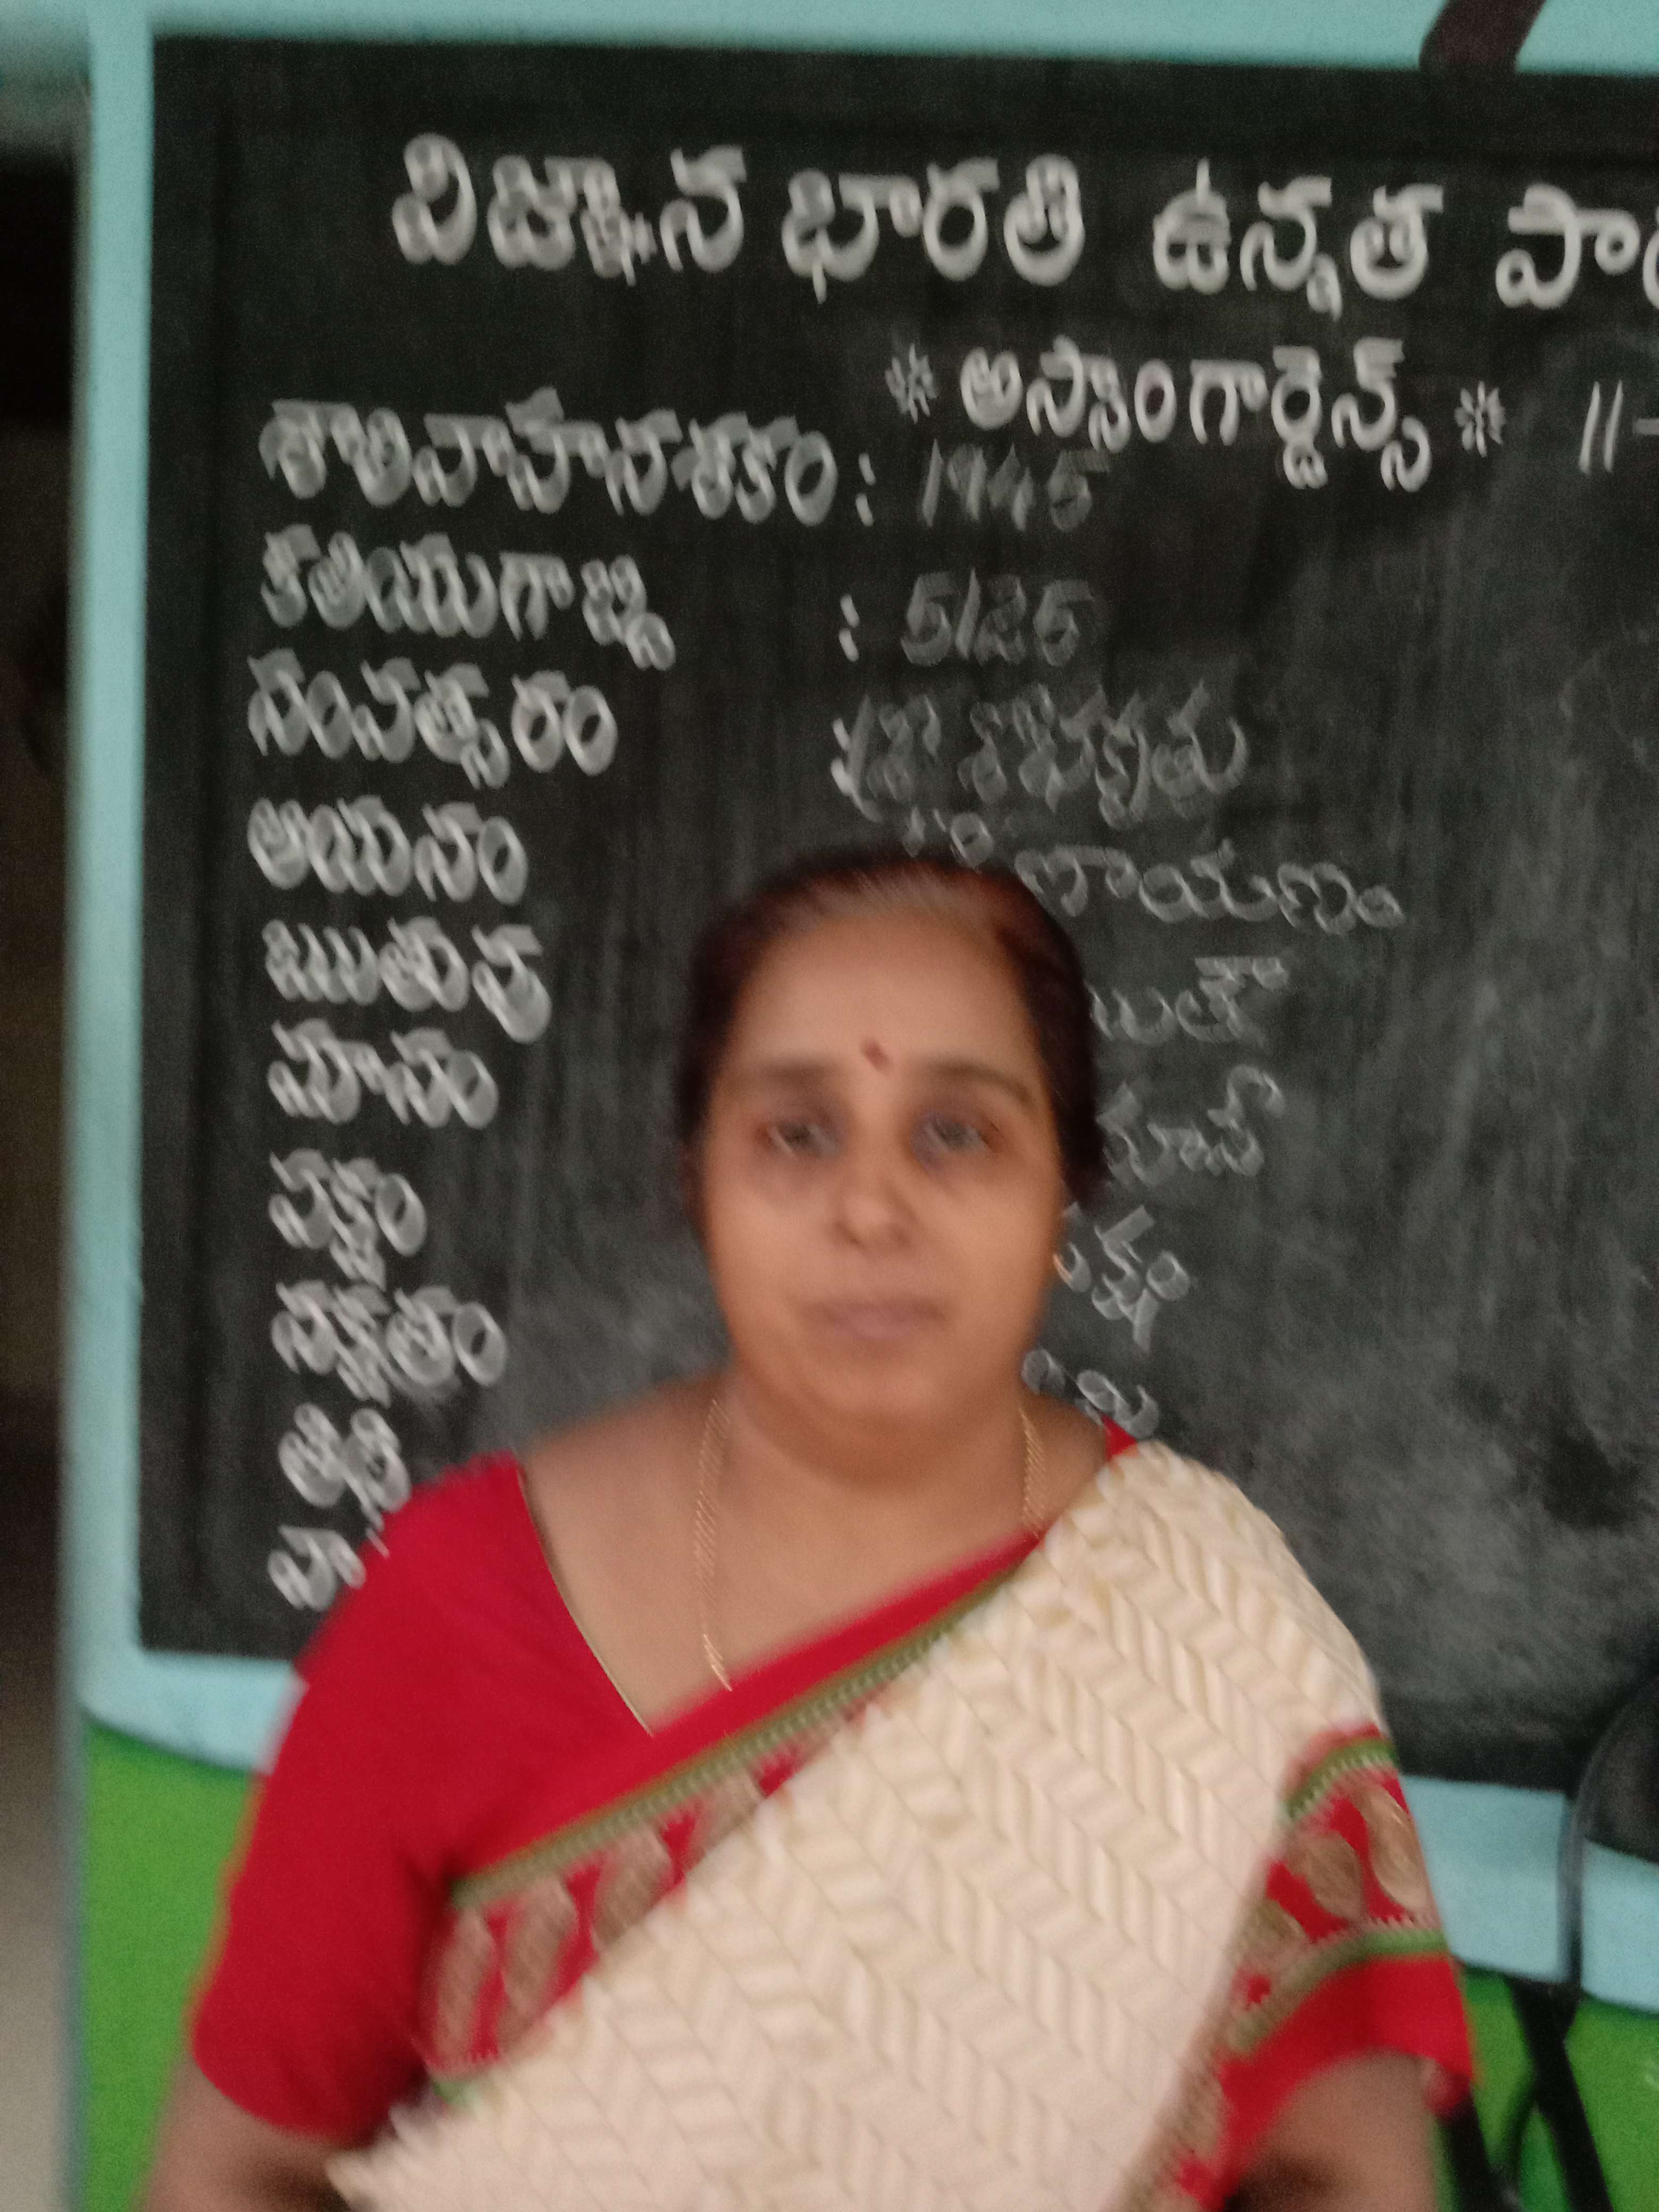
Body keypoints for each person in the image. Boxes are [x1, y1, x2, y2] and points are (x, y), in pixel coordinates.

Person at [145, 850, 1470, 2212]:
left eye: (957, 1132)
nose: (872, 1209)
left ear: (1064, 1191)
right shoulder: (456, 1603)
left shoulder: (1215, 1629)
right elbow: (233, 2175)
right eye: (796, 1133)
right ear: (696, 1182)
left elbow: (1346, 2178)